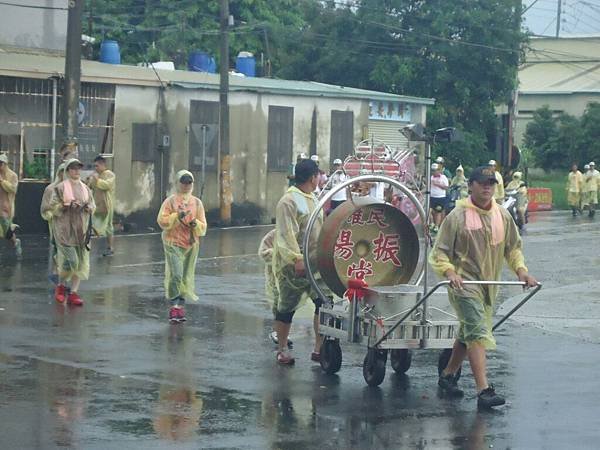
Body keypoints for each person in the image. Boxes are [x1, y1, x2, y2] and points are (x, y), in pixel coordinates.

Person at [430, 166, 537, 409]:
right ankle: (484, 391)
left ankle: (448, 376)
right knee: (477, 331)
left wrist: (522, 271)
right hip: (464, 285)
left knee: (468, 332)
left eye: (491, 182)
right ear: (471, 185)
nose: (487, 187)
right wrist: (450, 272)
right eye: (482, 182)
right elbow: (440, 252)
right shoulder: (457, 216)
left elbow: (512, 248)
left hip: (488, 285)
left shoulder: (502, 215)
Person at [271, 159, 324, 365]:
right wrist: (296, 259)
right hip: (292, 266)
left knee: (323, 304)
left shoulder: (313, 198)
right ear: (313, 177)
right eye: (318, 175)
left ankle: (319, 348)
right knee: (286, 308)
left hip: (315, 263)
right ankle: (282, 348)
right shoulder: (289, 200)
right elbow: (286, 234)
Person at [157, 170, 207, 323]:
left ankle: (181, 306)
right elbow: (162, 220)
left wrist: (195, 224)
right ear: (178, 183)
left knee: (185, 276)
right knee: (176, 274)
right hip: (173, 242)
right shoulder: (170, 201)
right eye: (183, 182)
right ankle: (174, 305)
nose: (186, 186)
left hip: (191, 243)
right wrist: (175, 217)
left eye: (189, 182)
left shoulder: (197, 203)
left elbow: (203, 226)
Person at [49, 159, 96, 306]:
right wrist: (64, 206)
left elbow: (92, 204)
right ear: (68, 170)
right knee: (71, 261)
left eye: (78, 168)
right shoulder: (60, 188)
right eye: (73, 168)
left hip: (81, 230)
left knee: (81, 263)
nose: (76, 171)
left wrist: (89, 208)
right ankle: (61, 285)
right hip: (65, 230)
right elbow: (53, 206)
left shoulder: (85, 188)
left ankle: (73, 292)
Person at [40, 162, 66, 284]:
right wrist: (51, 215)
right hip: (56, 223)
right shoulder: (50, 189)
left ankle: (65, 273)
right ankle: (56, 271)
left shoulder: (73, 188)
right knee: (57, 246)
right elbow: (45, 207)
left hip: (71, 224)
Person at [86, 155, 116, 256]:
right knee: (92, 224)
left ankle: (110, 247)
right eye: (94, 166)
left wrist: (97, 180)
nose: (96, 168)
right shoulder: (95, 175)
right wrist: (88, 180)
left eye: (97, 166)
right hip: (96, 204)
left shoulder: (110, 175)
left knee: (108, 226)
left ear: (103, 165)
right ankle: (88, 246)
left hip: (107, 204)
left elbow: (106, 185)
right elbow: (89, 186)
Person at [0, 153, 21, 258]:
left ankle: (15, 242)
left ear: (5, 164)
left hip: (6, 208)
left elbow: (13, 189)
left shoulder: (12, 175)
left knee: (6, 232)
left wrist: (2, 181)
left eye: (1, 164)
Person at [430, 163, 449, 232]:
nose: (434, 172)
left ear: (438, 170)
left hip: (440, 197)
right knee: (430, 211)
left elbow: (446, 187)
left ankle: (437, 226)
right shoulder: (431, 177)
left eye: (435, 170)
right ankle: (432, 223)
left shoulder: (443, 177)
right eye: (433, 170)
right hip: (432, 197)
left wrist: (438, 184)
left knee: (438, 212)